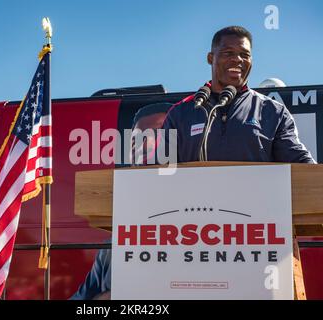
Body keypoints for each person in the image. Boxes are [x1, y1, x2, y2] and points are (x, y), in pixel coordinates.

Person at [163, 26, 316, 164]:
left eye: (244, 55)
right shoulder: (180, 112)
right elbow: (160, 169)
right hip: (194, 196)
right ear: (211, 58)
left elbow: (300, 161)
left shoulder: (273, 111)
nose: (237, 60)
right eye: (228, 53)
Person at [70, 102, 172, 300]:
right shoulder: (112, 247)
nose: (143, 145)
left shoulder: (207, 225)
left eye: (154, 135)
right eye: (135, 140)